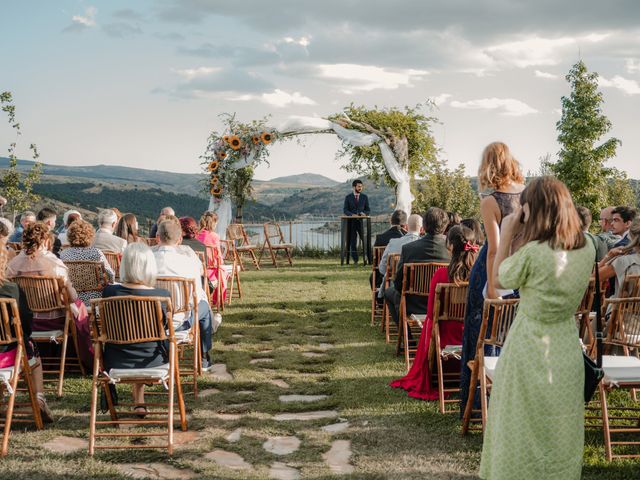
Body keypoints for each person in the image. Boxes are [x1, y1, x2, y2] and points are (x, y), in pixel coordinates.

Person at [479, 176, 594, 480]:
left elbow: (500, 280)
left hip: (530, 344)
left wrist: (507, 232)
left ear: (532, 209)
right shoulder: (588, 246)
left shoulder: (534, 253)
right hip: (566, 345)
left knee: (519, 421)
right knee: (560, 425)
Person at [459, 142, 525, 417]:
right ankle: (511, 402)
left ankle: (477, 406)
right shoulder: (526, 195)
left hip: (494, 270)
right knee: (512, 335)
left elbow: (494, 249)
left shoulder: (490, 201)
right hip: (521, 269)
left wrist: (493, 286)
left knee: (480, 334)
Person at [390, 225, 478, 399]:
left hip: (443, 339)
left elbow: (431, 313)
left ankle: (435, 372)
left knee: (431, 322)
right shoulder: (479, 275)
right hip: (471, 338)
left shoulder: (441, 275)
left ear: (450, 246)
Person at [101, 243, 171, 413]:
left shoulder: (109, 293)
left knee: (131, 344)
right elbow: (167, 328)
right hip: (154, 360)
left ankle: (139, 402)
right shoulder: (161, 296)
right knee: (148, 343)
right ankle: (139, 402)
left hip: (116, 361)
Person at [0, 245, 54, 422]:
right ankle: (39, 398)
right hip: (5, 358)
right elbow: (26, 323)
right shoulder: (11, 290)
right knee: (31, 349)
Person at [153, 220, 214, 370]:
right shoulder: (188, 261)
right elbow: (197, 292)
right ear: (180, 239)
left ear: (157, 237)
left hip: (154, 320)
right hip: (181, 321)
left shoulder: (147, 260)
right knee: (204, 307)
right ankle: (204, 356)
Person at [384, 207, 450, 326]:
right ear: (445, 226)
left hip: (414, 304)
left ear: (424, 226)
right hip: (444, 303)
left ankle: (407, 337)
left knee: (389, 293)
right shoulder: (452, 250)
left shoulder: (409, 249)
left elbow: (398, 283)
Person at [6, 222, 78, 332]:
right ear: (46, 240)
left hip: (23, 319)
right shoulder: (55, 264)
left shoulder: (13, 265)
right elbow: (72, 297)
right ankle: (78, 348)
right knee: (80, 306)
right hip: (54, 320)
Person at [60, 220, 115, 306]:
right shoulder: (96, 253)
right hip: (95, 298)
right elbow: (111, 276)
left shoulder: (64, 254)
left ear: (70, 236)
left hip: (73, 298)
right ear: (90, 236)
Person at [377, 213, 422, 295]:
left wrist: (391, 276)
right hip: (420, 289)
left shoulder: (393, 243)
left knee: (389, 295)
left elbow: (382, 268)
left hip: (397, 288)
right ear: (422, 229)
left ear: (407, 227)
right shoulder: (424, 246)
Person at [597, 217, 640, 298]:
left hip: (619, 309)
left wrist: (608, 255)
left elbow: (593, 279)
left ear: (631, 236)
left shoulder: (623, 261)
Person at [343, 179, 370, 264]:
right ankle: (355, 261)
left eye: (361, 186)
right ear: (354, 187)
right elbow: (345, 210)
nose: (360, 188)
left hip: (362, 223)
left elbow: (368, 210)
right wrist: (351, 215)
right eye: (359, 186)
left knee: (365, 241)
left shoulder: (364, 197)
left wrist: (364, 213)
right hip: (351, 222)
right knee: (352, 242)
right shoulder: (348, 197)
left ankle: (369, 259)